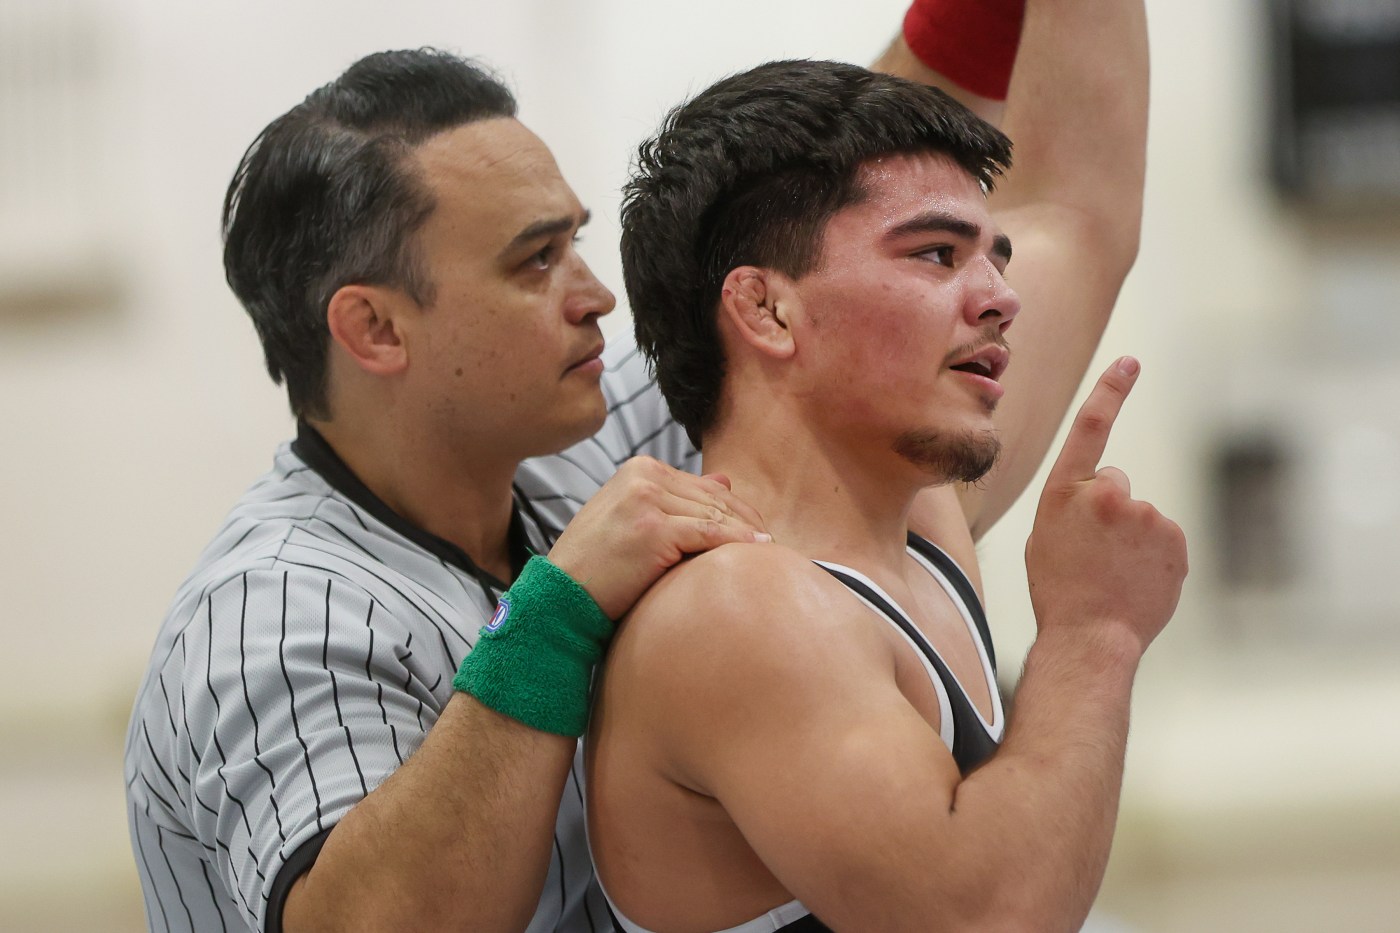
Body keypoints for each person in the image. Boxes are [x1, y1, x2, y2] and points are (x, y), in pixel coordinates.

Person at [122, 4, 1017, 930]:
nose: (593, 298)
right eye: (537, 260)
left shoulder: (562, 432)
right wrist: (553, 616)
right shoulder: (272, 610)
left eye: (577, 243)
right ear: (375, 328)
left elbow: (816, 200)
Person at [585, 2, 1186, 932]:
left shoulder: (920, 516)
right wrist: (1095, 630)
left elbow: (1081, 204)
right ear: (767, 312)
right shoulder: (734, 610)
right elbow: (987, 917)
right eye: (937, 255)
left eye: (995, 256)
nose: (999, 298)